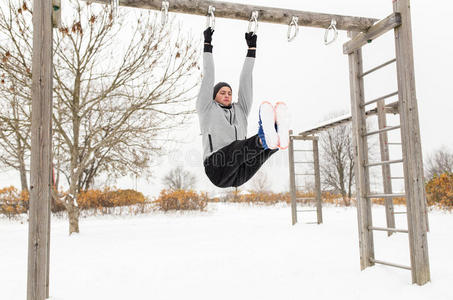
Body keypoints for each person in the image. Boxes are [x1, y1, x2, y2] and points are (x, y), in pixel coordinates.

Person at [197, 27, 289, 188]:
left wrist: (251, 49)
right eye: (222, 92)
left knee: (263, 151)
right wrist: (207, 44)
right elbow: (209, 74)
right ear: (213, 96)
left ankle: (275, 136)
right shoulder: (206, 108)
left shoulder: (240, 110)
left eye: (229, 93)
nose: (227, 95)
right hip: (216, 168)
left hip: (240, 173)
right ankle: (263, 139)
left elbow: (246, 79)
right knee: (240, 147)